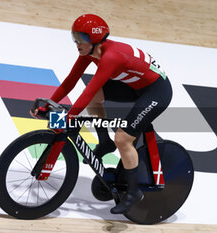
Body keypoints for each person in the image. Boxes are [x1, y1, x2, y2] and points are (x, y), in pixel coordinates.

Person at [32, 14, 172, 214]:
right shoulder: (88, 53)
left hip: (156, 91)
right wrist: (50, 103)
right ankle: (104, 141)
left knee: (123, 139)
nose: (76, 43)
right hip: (134, 85)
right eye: (74, 37)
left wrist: (68, 117)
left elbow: (86, 92)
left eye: (80, 38)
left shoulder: (111, 57)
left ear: (95, 39)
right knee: (94, 96)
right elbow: (70, 81)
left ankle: (133, 193)